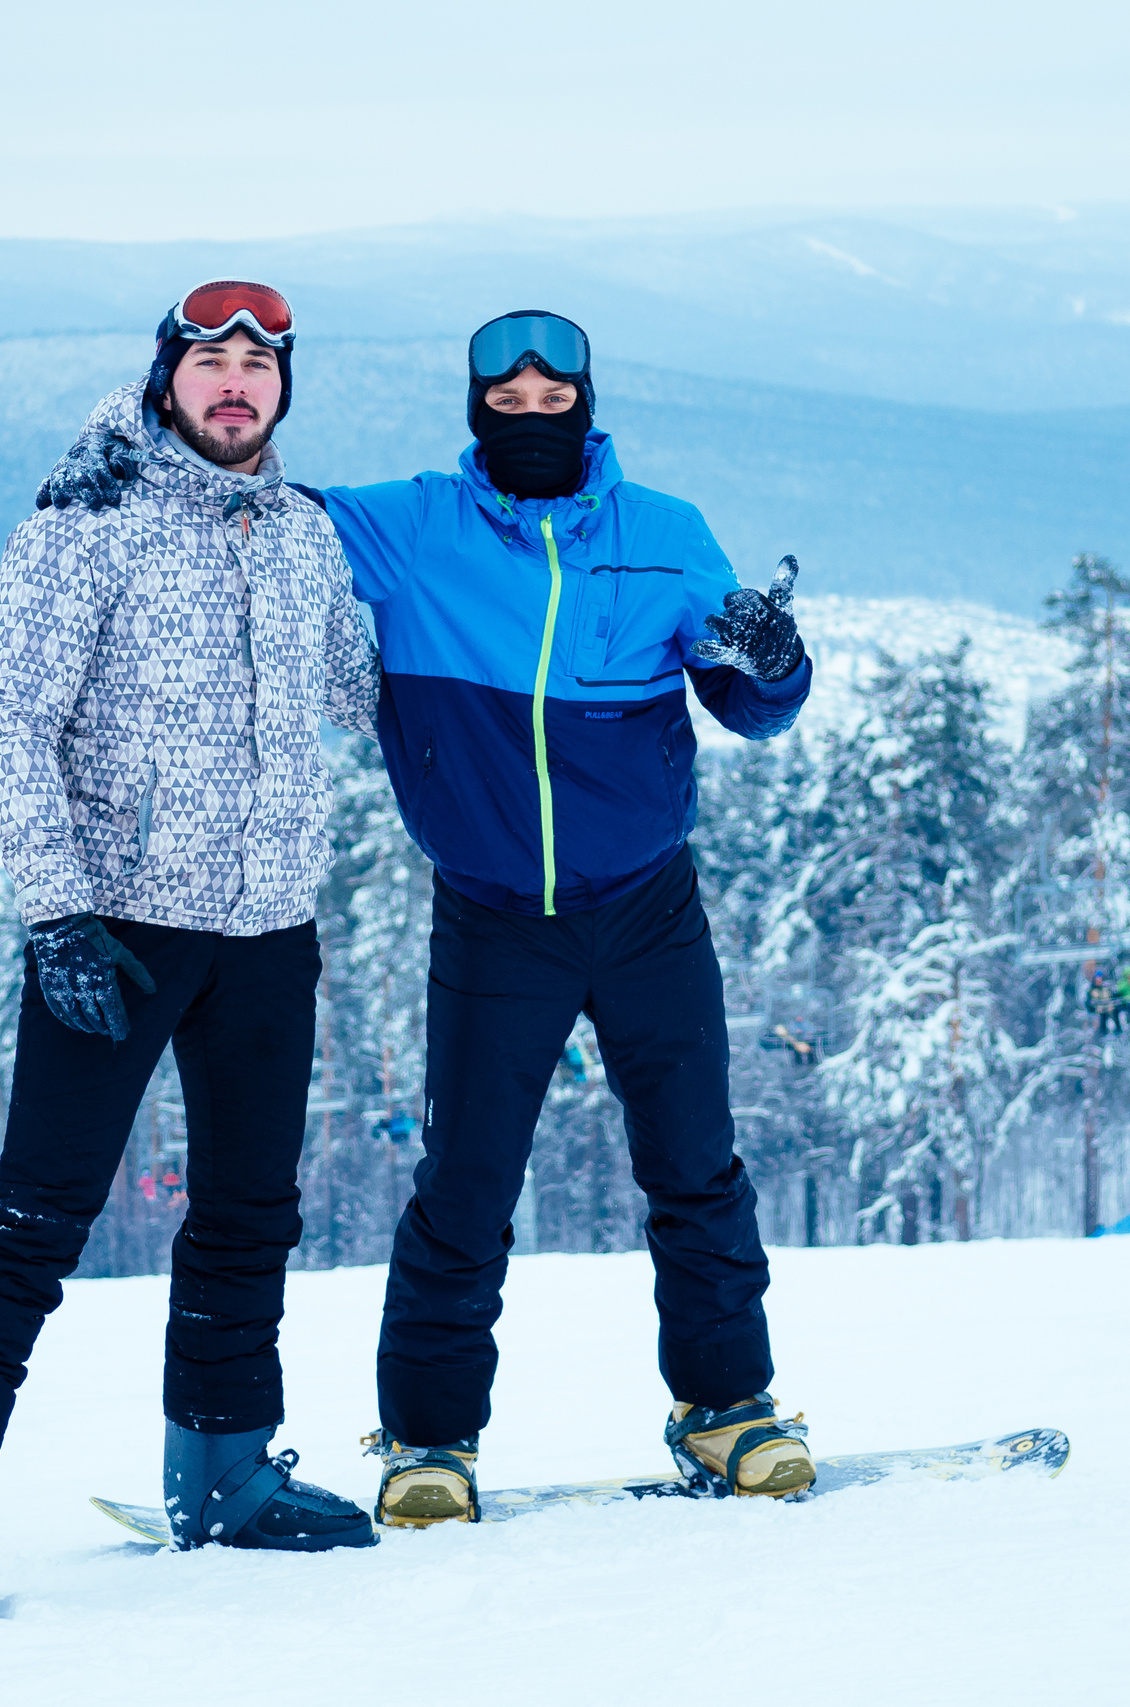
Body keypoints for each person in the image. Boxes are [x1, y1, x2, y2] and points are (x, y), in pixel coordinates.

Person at [0, 281, 383, 1619]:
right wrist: (56, 913)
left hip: (269, 924)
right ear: (167, 379)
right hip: (117, 929)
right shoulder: (83, 520)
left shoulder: (301, 534)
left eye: (257, 367)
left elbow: (365, 688)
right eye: (210, 363)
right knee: (34, 1222)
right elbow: (11, 721)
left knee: (249, 1213)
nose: (234, 385)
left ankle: (226, 1472)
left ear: (283, 388)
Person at [310, 310, 819, 1525]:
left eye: (554, 403)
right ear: (474, 409)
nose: (532, 420)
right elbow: (255, 521)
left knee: (695, 1166)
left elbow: (750, 705)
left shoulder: (664, 533)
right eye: (508, 404)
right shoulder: (411, 527)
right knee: (466, 1185)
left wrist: (774, 660)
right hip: (494, 919)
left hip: (648, 906)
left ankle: (728, 1412)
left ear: (586, 408)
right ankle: (429, 1442)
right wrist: (135, 470)